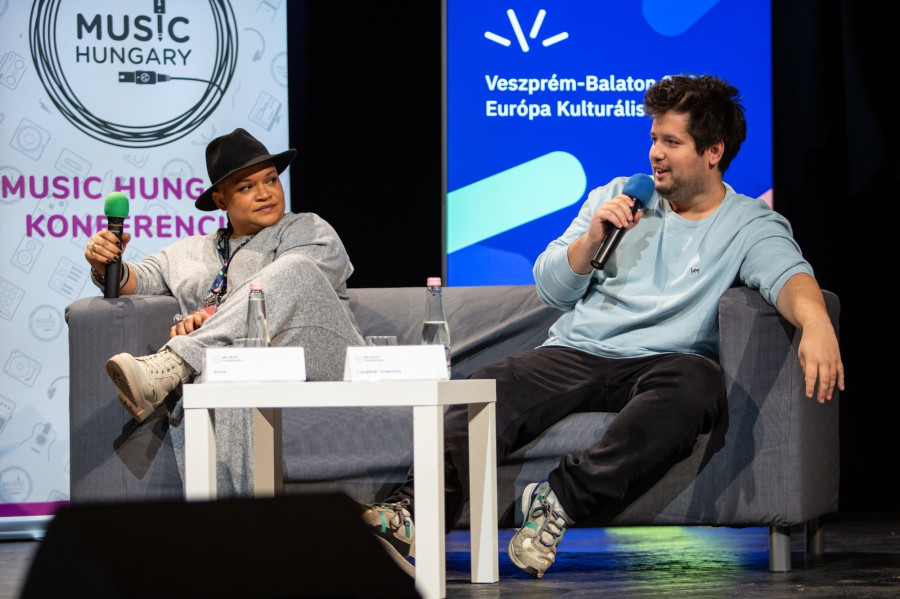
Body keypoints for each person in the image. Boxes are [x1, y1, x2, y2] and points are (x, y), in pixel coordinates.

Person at [362, 74, 844, 579]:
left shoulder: (748, 223)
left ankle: (557, 501)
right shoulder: (618, 195)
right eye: (654, 138)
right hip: (578, 351)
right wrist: (591, 240)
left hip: (665, 363)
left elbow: (790, 276)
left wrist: (816, 324)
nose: (655, 153)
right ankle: (410, 513)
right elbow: (552, 289)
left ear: (713, 151)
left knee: (699, 384)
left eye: (671, 142)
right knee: (486, 387)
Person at [85, 128, 363, 494]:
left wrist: (212, 321)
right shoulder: (189, 252)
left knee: (295, 270)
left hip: (322, 358)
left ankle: (174, 362)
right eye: (246, 187)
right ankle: (237, 523)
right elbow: (138, 278)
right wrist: (105, 262)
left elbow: (298, 286)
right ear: (220, 200)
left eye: (271, 180)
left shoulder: (308, 230)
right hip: (248, 369)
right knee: (228, 367)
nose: (265, 193)